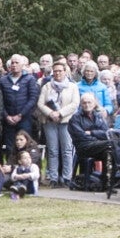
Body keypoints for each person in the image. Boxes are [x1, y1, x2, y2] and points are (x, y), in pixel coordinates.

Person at [36, 59, 79, 187]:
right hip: (50, 122)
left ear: (65, 72)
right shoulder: (47, 86)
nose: (58, 73)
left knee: (66, 150)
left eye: (60, 71)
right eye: (55, 71)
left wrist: (60, 113)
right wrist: (51, 113)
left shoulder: (72, 87)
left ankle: (67, 177)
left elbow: (75, 104)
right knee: (53, 150)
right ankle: (53, 177)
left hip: (66, 121)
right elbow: (40, 103)